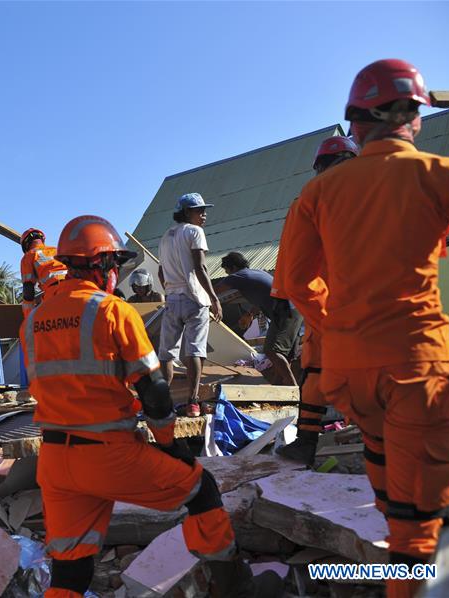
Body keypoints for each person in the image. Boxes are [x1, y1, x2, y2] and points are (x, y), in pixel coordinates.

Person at [281, 59, 449, 598]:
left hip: (349, 368)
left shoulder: (315, 196)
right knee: (418, 520)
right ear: (412, 116)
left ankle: (372, 567)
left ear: (358, 123)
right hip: (415, 362)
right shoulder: (443, 174)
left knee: (385, 473)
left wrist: (334, 326)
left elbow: (294, 281)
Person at [21, 215, 280, 598]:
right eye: (115, 264)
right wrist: (168, 445)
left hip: (57, 461)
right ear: (101, 264)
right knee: (201, 489)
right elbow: (154, 391)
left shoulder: (34, 321)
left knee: (69, 572)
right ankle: (237, 589)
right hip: (109, 454)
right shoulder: (112, 311)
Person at [273, 135, 359, 465]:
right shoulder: (379, 195)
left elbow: (293, 269)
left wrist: (309, 307)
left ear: (320, 166)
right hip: (374, 305)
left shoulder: (309, 200)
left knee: (317, 372)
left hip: (327, 304)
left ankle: (307, 441)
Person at [157, 193, 222, 417]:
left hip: (172, 299)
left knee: (166, 354)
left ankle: (162, 405)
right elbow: (200, 268)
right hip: (195, 297)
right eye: (199, 211)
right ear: (186, 212)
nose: (204, 215)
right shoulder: (195, 232)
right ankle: (192, 402)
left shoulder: (165, 236)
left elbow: (160, 271)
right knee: (195, 350)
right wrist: (213, 298)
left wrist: (170, 288)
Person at [215, 252, 303, 386]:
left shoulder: (237, 276)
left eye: (226, 270)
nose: (227, 274)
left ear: (232, 267)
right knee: (286, 354)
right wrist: (250, 314)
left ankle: (292, 387)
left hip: (284, 312)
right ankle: (279, 387)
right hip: (295, 310)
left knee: (271, 350)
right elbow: (263, 298)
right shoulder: (256, 273)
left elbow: (213, 290)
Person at [20, 228, 68, 315]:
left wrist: (28, 316)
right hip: (76, 286)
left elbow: (28, 290)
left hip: (55, 292)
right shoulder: (58, 250)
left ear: (25, 245)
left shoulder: (29, 256)